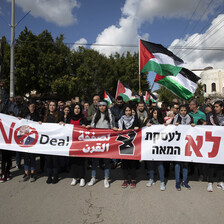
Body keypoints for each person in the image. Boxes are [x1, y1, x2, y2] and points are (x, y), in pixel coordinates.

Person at [87, 100, 116, 188]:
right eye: (100, 106)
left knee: (106, 161)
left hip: (106, 141)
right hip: (96, 140)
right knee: (95, 160)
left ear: (106, 107)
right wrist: (89, 127)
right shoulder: (96, 115)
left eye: (103, 106)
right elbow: (92, 125)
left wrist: (115, 129)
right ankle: (93, 177)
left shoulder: (110, 115)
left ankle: (106, 178)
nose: (102, 107)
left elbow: (112, 126)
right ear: (98, 107)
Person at [18, 101, 41, 182]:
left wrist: (39, 123)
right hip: (24, 138)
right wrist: (19, 119)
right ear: (28, 106)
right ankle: (26, 173)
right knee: (26, 157)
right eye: (31, 106)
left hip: (32, 138)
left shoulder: (36, 115)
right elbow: (18, 123)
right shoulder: (24, 114)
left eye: (34, 107)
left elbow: (39, 124)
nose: (32, 108)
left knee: (32, 157)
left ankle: (32, 173)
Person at [173, 105, 194, 190]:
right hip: (178, 144)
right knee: (177, 164)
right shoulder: (176, 118)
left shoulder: (190, 118)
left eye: (185, 110)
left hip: (187, 144)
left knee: (185, 164)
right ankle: (177, 182)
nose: (183, 112)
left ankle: (185, 181)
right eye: (181, 110)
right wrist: (175, 126)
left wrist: (193, 125)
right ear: (179, 111)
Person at [118, 105, 140, 188]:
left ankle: (133, 180)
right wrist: (118, 129)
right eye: (126, 110)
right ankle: (125, 179)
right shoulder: (121, 120)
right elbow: (118, 131)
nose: (128, 112)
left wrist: (138, 128)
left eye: (129, 110)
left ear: (131, 111)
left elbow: (140, 129)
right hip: (123, 143)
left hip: (133, 143)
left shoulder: (135, 119)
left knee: (132, 162)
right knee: (124, 162)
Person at [145, 107, 166, 191]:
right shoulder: (148, 121)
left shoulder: (162, 122)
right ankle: (151, 178)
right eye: (154, 113)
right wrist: (146, 126)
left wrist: (165, 126)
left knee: (160, 164)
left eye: (157, 113)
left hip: (159, 146)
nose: (155, 115)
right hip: (150, 146)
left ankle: (162, 181)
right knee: (150, 163)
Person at [67, 103, 88, 187]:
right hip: (71, 143)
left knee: (80, 161)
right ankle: (74, 177)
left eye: (79, 108)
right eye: (75, 108)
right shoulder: (69, 118)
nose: (77, 110)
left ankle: (82, 177)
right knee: (73, 161)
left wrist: (85, 126)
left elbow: (87, 128)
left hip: (80, 143)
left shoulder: (83, 118)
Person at [43, 101, 62, 184]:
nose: (52, 107)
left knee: (55, 160)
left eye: (53, 105)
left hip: (55, 141)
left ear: (56, 106)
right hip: (47, 142)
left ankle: (56, 175)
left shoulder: (59, 115)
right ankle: (49, 175)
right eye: (50, 105)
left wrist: (62, 123)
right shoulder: (45, 116)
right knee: (48, 160)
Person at [207, 100, 224, 191]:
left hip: (222, 143)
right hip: (213, 142)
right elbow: (214, 127)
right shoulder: (212, 117)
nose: (215, 108)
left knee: (221, 163)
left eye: (217, 107)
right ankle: (210, 182)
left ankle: (220, 181)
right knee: (212, 163)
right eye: (215, 107)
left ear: (222, 107)